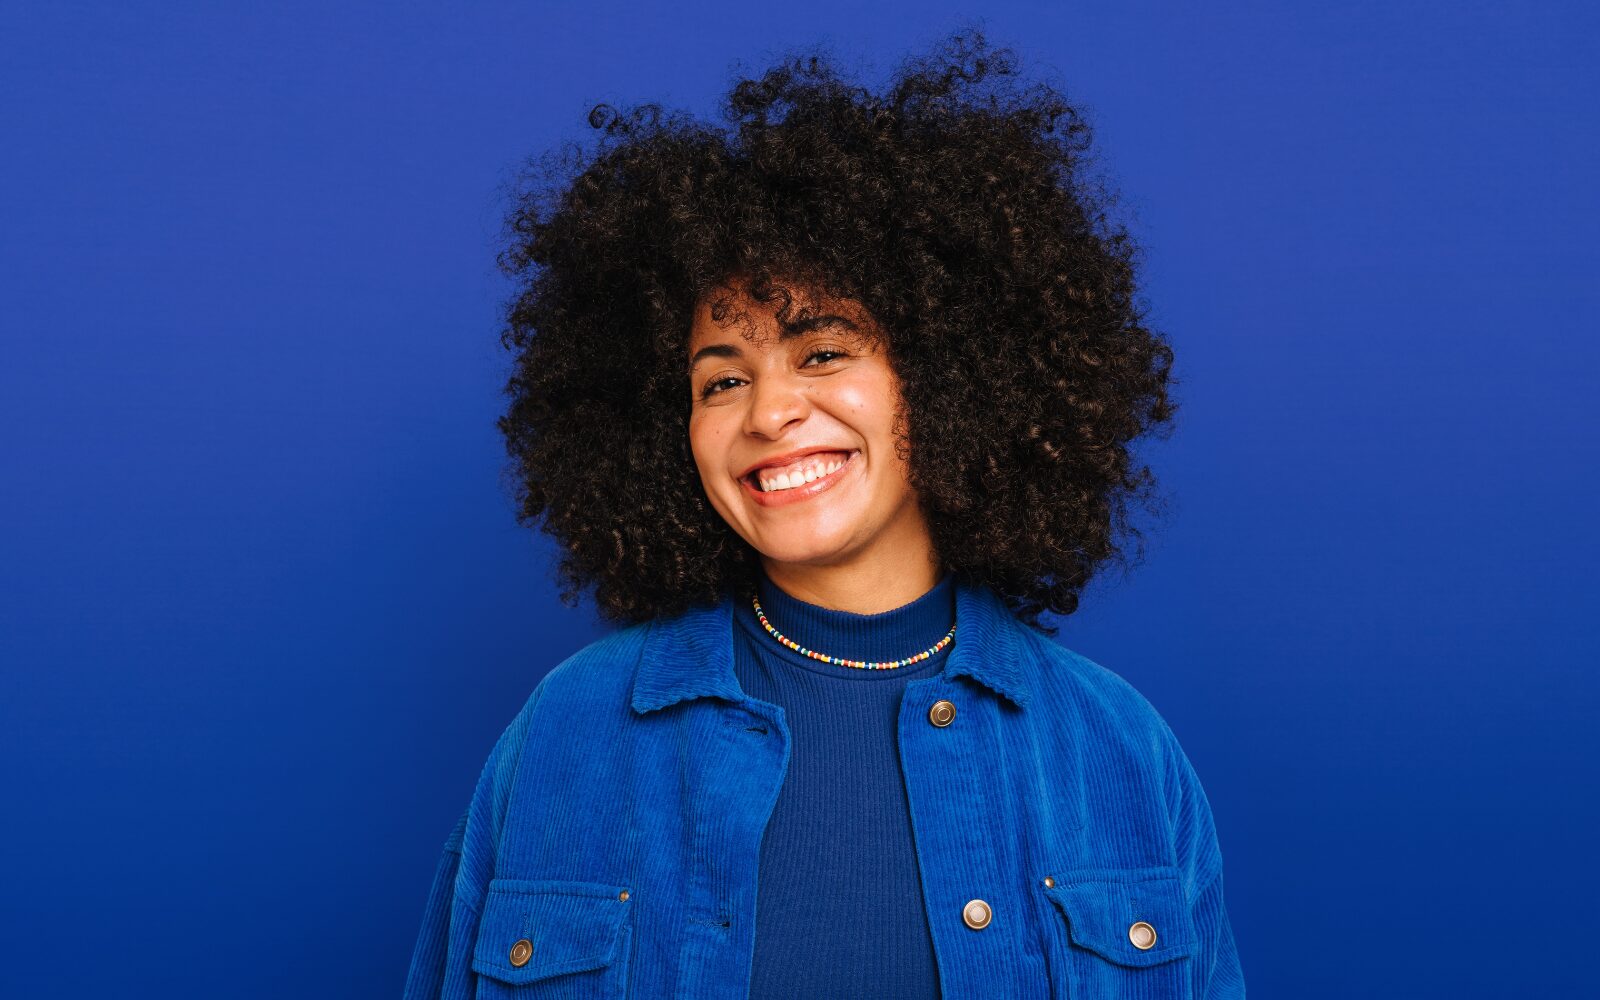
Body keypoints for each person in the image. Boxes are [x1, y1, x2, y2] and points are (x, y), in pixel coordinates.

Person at [404, 26, 1245, 999]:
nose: (767, 414)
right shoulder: (567, 731)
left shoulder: (1119, 752)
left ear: (947, 374)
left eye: (823, 353)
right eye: (722, 380)